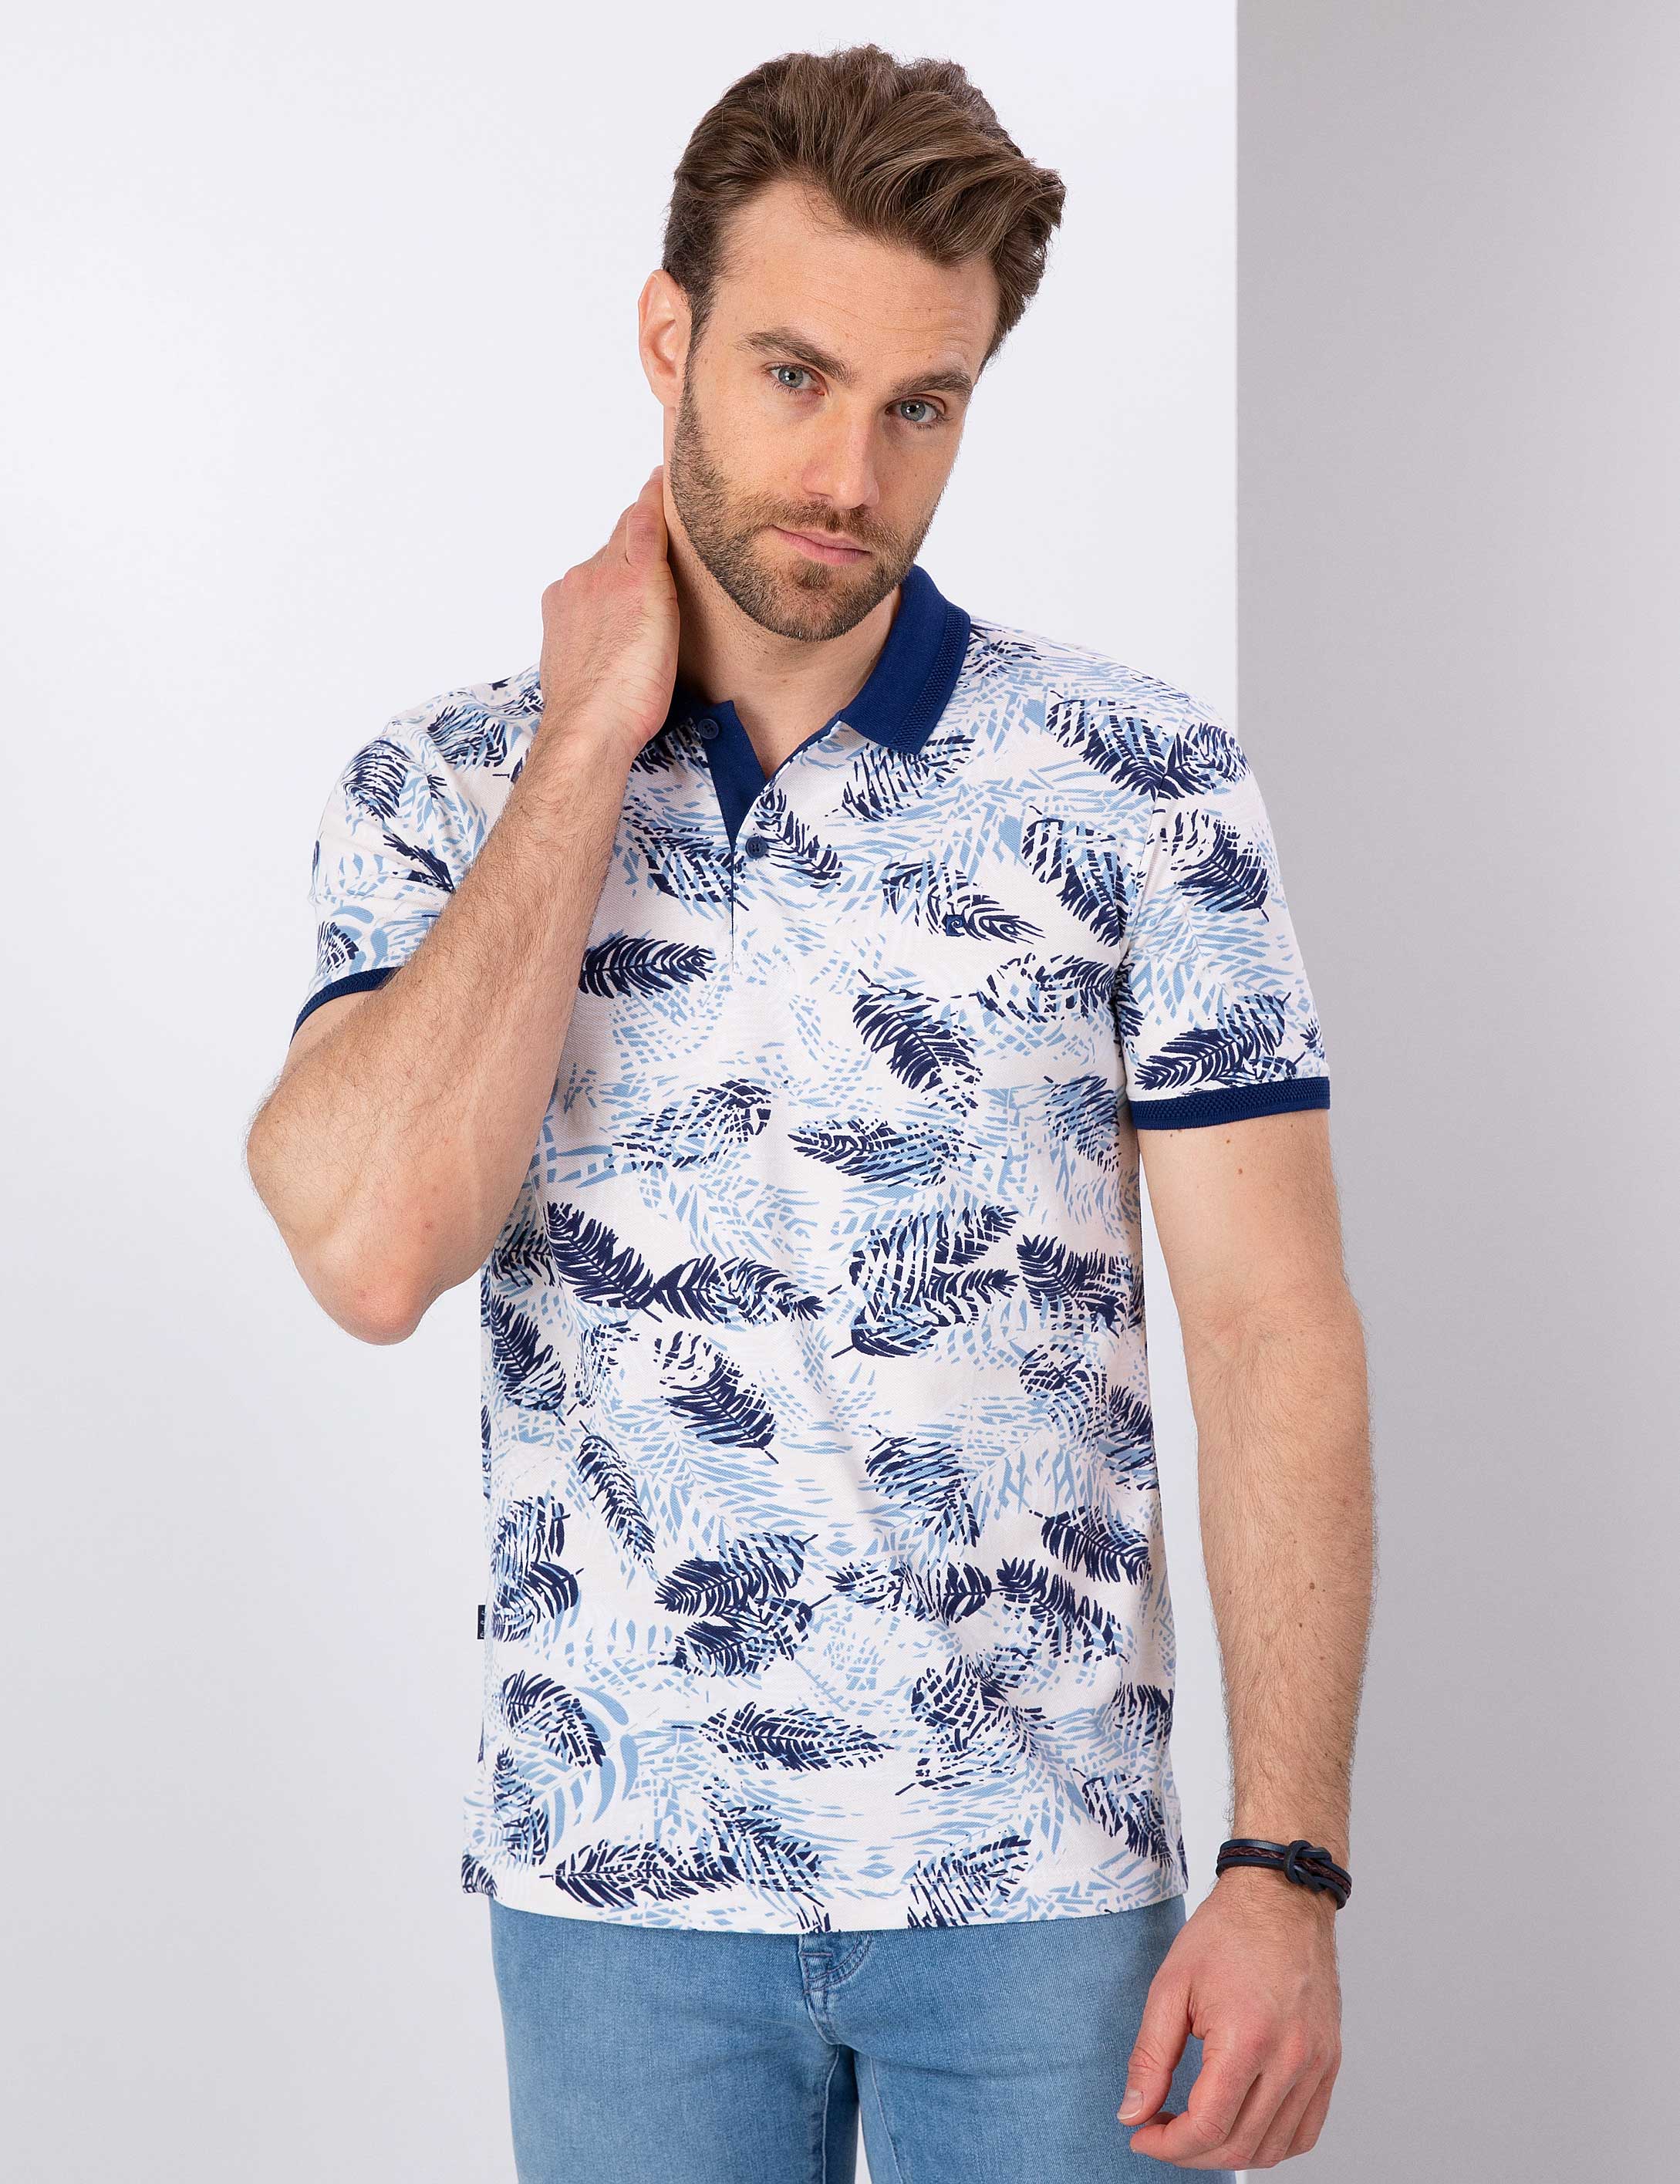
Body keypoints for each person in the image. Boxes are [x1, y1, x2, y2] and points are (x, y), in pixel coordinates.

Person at [246, 41, 1372, 2183]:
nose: (850, 471)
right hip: (619, 1890)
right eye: (792, 376)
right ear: (664, 337)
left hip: (1042, 1891)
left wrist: (1286, 1865)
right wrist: (587, 743)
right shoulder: (444, 788)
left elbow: (1270, 1333)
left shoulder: (1138, 783)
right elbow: (378, 1248)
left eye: (920, 405)